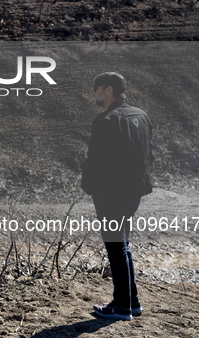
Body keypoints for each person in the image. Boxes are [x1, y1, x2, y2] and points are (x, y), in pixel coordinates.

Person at [81, 72, 154, 321]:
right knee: (123, 244)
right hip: (135, 191)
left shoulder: (105, 120)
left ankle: (122, 306)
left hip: (111, 192)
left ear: (109, 90)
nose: (94, 94)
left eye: (97, 89)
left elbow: (95, 160)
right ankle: (132, 302)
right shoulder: (141, 115)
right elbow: (148, 153)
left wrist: (89, 186)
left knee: (116, 246)